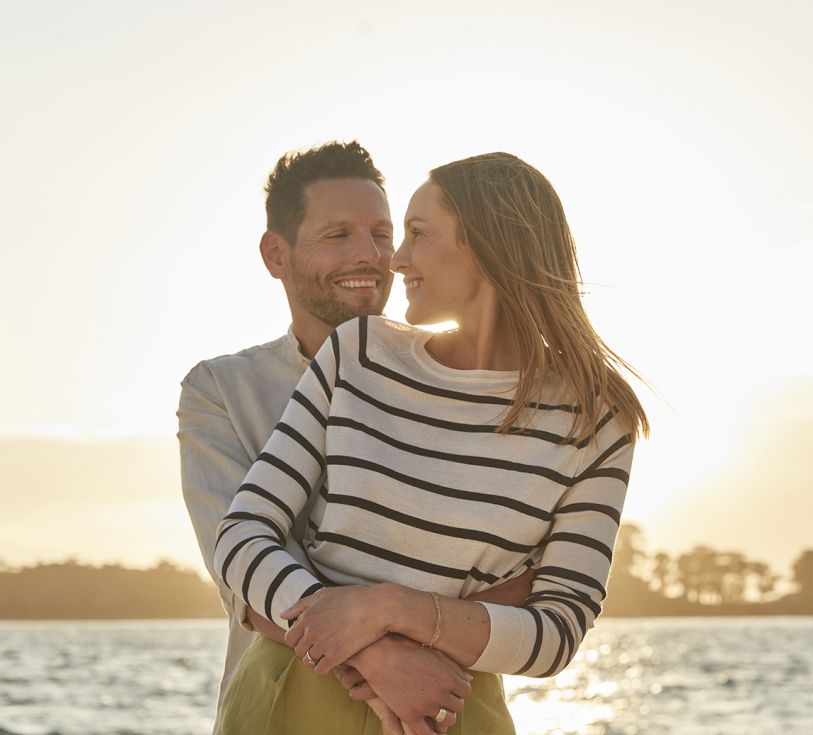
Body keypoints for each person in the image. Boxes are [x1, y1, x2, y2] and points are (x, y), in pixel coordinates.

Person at [212, 151, 648, 735]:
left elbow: (559, 628)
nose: (396, 261)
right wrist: (367, 651)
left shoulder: (596, 419)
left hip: (448, 713)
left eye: (417, 234)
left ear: (488, 247)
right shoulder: (358, 353)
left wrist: (390, 608)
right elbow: (242, 535)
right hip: (291, 698)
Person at [179, 141, 527, 734]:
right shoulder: (221, 389)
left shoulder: (466, 380)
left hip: (444, 710)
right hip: (281, 702)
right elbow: (239, 565)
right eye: (337, 235)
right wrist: (381, 657)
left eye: (383, 234)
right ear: (275, 254)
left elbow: (517, 578)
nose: (372, 257)